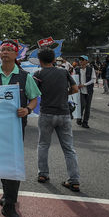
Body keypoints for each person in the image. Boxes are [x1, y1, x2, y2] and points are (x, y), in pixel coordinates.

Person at [0, 39, 41, 217]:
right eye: (3, 50)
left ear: (17, 54)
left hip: (16, 128)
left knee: (13, 164)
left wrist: (28, 110)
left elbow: (34, 99)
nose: (5, 52)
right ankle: (7, 194)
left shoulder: (25, 77)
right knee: (1, 162)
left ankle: (10, 205)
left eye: (9, 50)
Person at [32, 48, 80, 191]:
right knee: (69, 149)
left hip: (46, 113)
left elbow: (33, 92)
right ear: (54, 59)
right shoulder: (63, 72)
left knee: (43, 145)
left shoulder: (38, 74)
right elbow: (75, 89)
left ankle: (43, 174)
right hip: (64, 113)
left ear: (40, 61)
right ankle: (74, 180)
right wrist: (65, 94)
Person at [75, 55, 95, 129]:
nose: (81, 61)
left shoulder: (90, 69)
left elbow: (93, 79)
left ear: (86, 61)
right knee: (82, 105)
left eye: (82, 60)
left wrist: (84, 85)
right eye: (80, 60)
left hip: (89, 90)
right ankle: (79, 118)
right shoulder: (76, 69)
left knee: (88, 107)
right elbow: (74, 78)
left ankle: (85, 122)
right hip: (80, 91)